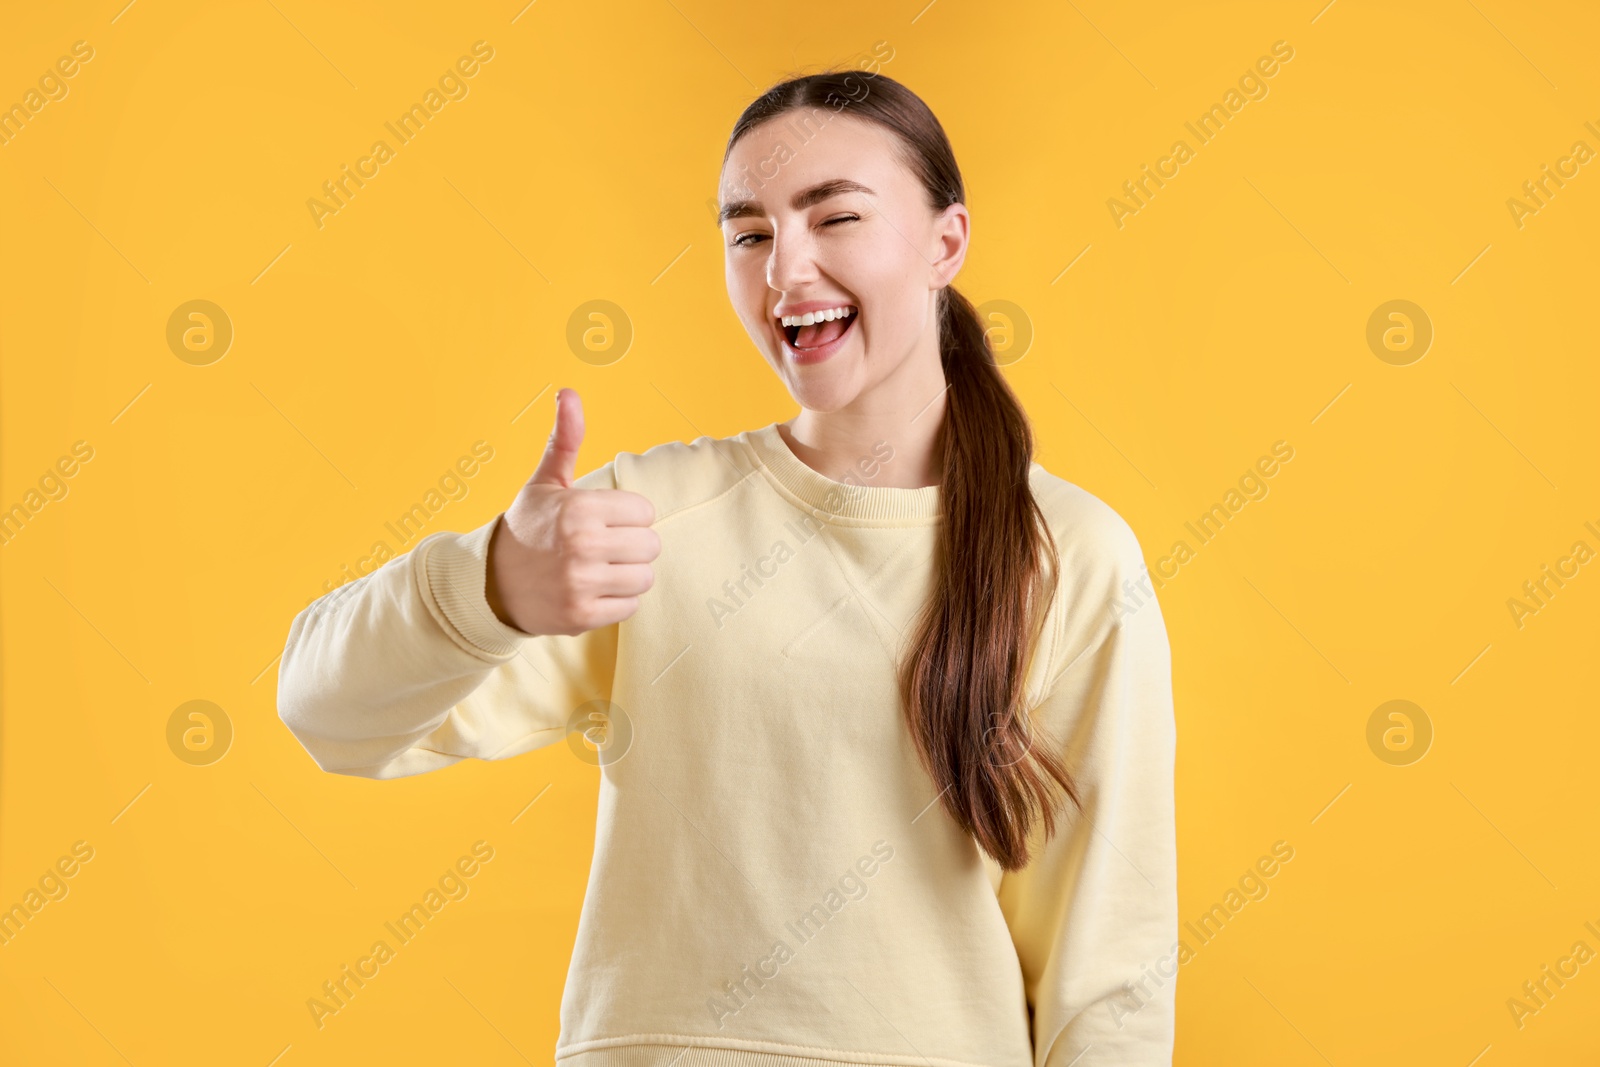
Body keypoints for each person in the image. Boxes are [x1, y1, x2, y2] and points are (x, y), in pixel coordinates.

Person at [277, 69, 1177, 1067]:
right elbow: (325, 710)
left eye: (833, 217)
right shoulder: (648, 520)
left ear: (944, 243)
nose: (784, 269)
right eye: (748, 234)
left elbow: (1112, 967)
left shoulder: (1071, 553)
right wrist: (490, 588)